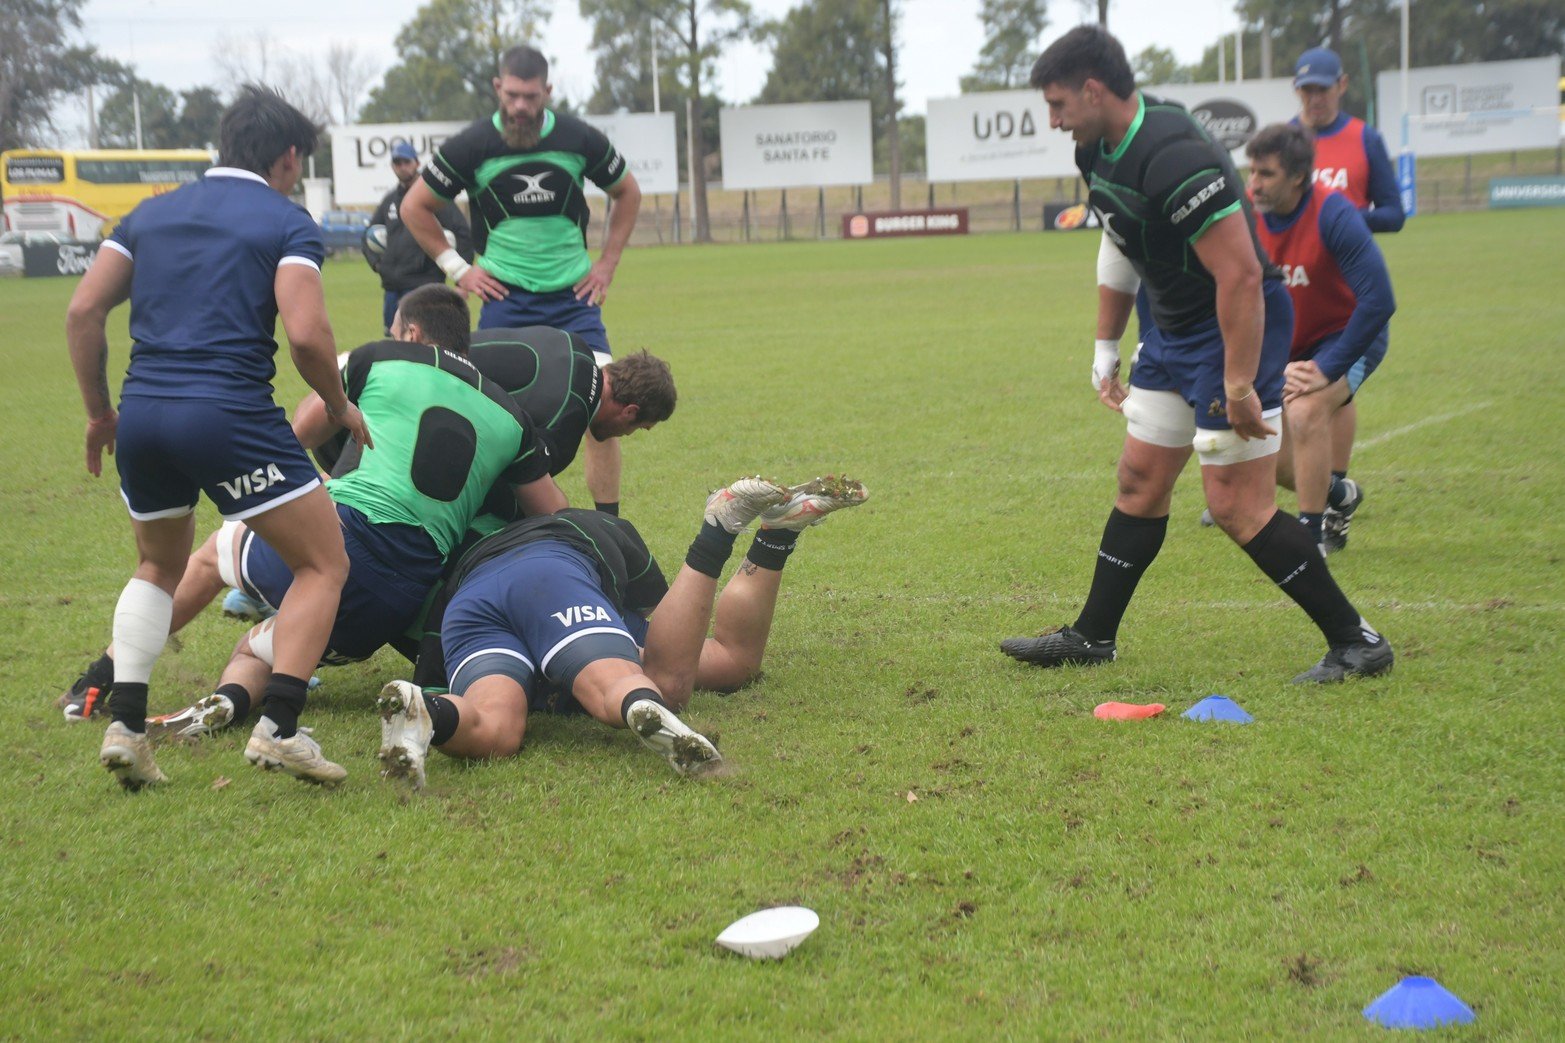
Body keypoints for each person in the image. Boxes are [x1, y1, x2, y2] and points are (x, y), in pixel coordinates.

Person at [999, 26, 1392, 684]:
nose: (1053, 119)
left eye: (1059, 103)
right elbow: (1120, 242)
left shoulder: (1172, 152)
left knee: (1236, 502)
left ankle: (1356, 640)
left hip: (1232, 330)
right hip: (1173, 334)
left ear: (1094, 91)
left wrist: (1238, 383)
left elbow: (1240, 276)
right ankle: (1093, 635)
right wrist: (1105, 344)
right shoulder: (1096, 149)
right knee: (1139, 480)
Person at [68, 286, 570, 784]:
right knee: (262, 646)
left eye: (393, 330)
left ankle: (102, 677)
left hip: (340, 539)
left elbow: (287, 446)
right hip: (392, 602)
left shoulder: (378, 358)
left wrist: (327, 486)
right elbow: (556, 519)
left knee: (209, 557)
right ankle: (231, 702)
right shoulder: (513, 417)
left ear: (411, 333)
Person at [64, 86, 373, 791]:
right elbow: (305, 331)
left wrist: (98, 414)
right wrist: (336, 402)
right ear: (289, 157)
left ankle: (126, 726)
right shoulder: (285, 220)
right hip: (228, 413)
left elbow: (84, 309)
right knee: (322, 564)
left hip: (143, 414)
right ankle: (281, 729)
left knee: (157, 565)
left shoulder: (149, 213)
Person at [375, 474, 869, 789]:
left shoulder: (466, 575)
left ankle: (427, 717)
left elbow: (434, 653)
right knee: (665, 680)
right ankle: (722, 529)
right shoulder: (602, 534)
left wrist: (437, 692)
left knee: (497, 727)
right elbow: (673, 630)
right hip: (553, 574)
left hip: (469, 606)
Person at [400, 45, 642, 520]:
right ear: (497, 88)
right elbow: (415, 206)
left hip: (575, 300)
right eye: (512, 95)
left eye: (530, 96)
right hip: (506, 302)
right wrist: (459, 269)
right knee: (490, 413)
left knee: (604, 412)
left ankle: (608, 525)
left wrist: (607, 264)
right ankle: (491, 518)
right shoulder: (471, 145)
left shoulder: (579, 138)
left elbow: (627, 193)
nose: (520, 107)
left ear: (548, 92)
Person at [1247, 123, 1396, 549]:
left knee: (1306, 412)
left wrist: (1329, 367)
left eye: (1266, 174)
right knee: (1263, 444)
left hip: (1349, 334)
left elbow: (1379, 300)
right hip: (1286, 343)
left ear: (1297, 176)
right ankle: (1338, 493)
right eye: (1251, 171)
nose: (1253, 184)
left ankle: (1309, 538)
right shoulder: (1243, 217)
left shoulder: (1335, 213)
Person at [1292, 46, 1405, 550]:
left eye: (1322, 88)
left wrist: (1344, 219)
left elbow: (1395, 213)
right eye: (1306, 90)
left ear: (1341, 85)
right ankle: (1332, 491)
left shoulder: (1364, 138)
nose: (1314, 98)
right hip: (1294, 298)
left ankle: (1328, 503)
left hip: (1347, 296)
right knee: (1279, 408)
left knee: (1326, 402)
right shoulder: (1287, 144)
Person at [364, 141, 473, 333]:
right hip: (392, 288)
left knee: (423, 345)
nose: (402, 167)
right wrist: (379, 266)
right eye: (397, 163)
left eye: (406, 161)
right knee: (394, 344)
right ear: (392, 166)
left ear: (416, 163)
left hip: (423, 286)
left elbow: (462, 234)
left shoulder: (432, 198)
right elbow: (368, 236)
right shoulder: (390, 200)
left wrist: (460, 281)